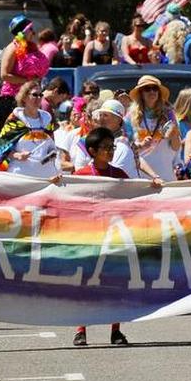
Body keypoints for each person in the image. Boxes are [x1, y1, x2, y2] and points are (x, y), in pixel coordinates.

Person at [70, 127, 132, 347]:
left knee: (115, 284)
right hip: (88, 238)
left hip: (114, 238)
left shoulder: (119, 175)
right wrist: (55, 182)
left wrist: (152, 186)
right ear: (92, 151)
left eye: (112, 147)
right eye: (105, 148)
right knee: (85, 285)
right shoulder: (81, 176)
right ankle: (80, 330)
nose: (110, 152)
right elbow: (66, 200)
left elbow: (136, 197)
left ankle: (116, 331)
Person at [0, 81, 59, 182]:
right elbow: (2, 148)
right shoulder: (15, 120)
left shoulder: (47, 120)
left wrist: (52, 154)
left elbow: (51, 146)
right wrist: (17, 155)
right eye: (35, 95)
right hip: (20, 176)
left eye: (40, 95)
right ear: (24, 97)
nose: (38, 98)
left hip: (45, 176)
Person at [0, 15, 51, 127]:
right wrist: (27, 81)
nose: (34, 33)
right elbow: (4, 75)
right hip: (13, 99)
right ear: (23, 32)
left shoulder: (32, 48)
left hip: (30, 99)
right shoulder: (12, 48)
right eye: (31, 29)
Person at [127, 75, 179, 183]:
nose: (152, 92)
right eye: (147, 89)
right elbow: (127, 149)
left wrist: (174, 134)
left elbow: (176, 147)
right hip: (140, 173)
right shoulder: (130, 117)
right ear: (141, 93)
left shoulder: (168, 114)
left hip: (165, 173)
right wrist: (141, 146)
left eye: (155, 88)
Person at [95, 99, 141, 180]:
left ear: (118, 120)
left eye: (105, 115)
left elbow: (112, 176)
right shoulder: (106, 141)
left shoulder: (122, 145)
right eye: (100, 115)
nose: (101, 119)